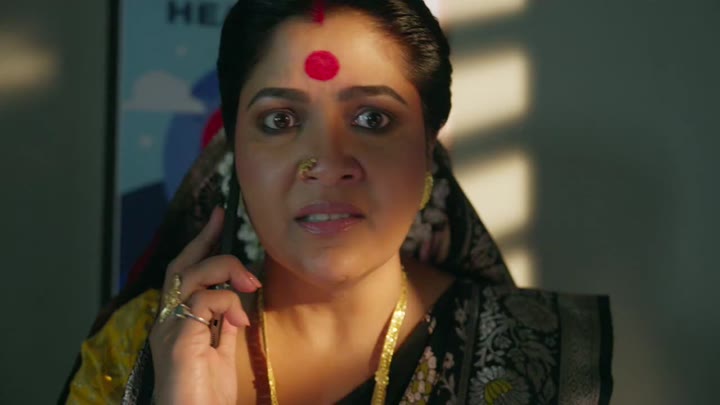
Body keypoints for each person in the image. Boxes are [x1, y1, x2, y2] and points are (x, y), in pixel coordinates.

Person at [60, 0, 613, 403]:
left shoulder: (537, 356)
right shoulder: (139, 348)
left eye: (372, 118)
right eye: (280, 120)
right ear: (235, 153)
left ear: (428, 149)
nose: (326, 163)